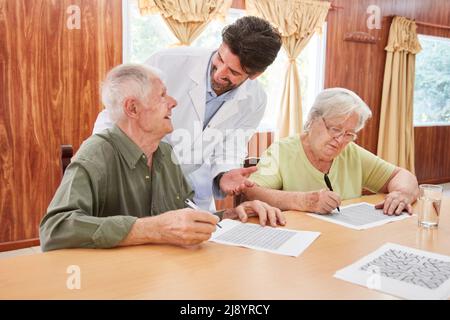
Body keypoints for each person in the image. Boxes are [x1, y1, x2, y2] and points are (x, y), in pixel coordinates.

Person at [39, 64, 285, 252]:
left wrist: (234, 214)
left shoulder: (165, 153)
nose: (174, 102)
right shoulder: (97, 153)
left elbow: (184, 215)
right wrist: (152, 229)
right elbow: (55, 229)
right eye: (162, 96)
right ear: (132, 109)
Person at [93, 16, 282, 211]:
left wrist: (225, 173)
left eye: (233, 72)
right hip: (135, 177)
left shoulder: (255, 100)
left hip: (190, 190)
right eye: (220, 58)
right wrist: (99, 159)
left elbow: (232, 144)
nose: (219, 73)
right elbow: (114, 114)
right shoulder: (167, 62)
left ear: (255, 75)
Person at [245, 88, 419, 215]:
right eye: (335, 129)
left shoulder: (352, 153)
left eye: (349, 134)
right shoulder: (281, 151)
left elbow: (402, 175)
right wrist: (304, 201)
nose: (340, 140)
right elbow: (253, 191)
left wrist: (401, 194)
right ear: (313, 119)